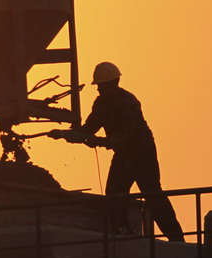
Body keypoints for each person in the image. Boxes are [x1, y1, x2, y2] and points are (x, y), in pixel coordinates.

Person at [78, 62, 184, 241]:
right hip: (123, 155)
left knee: (153, 194)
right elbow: (91, 126)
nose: (99, 89)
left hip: (143, 154)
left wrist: (99, 141)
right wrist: (75, 134)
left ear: (114, 83)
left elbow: (124, 136)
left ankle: (177, 238)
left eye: (102, 86)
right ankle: (121, 233)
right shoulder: (101, 103)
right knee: (114, 194)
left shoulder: (128, 103)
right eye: (99, 86)